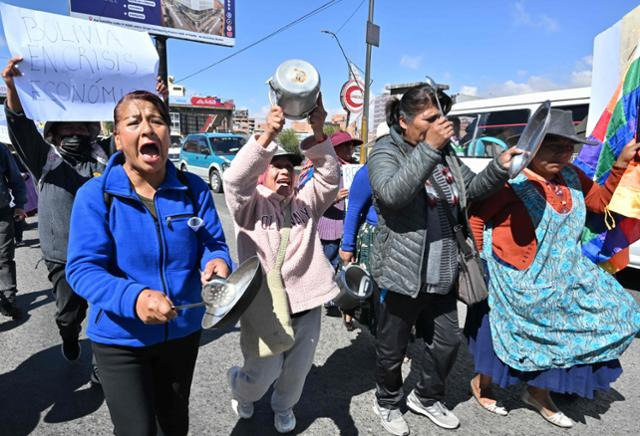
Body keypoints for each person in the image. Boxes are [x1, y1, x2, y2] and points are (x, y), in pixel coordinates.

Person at [66, 90, 231, 435]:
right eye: (134, 122)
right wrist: (136, 298)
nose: (147, 129)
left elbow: (213, 242)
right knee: (137, 430)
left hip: (182, 331)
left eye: (156, 121)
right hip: (120, 338)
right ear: (117, 137)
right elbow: (82, 269)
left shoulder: (194, 189)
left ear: (168, 133)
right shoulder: (96, 196)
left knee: (173, 424)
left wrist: (217, 260)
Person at [465, 109, 640, 428]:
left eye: (568, 147)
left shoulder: (572, 176)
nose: (563, 154)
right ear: (533, 146)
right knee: (500, 334)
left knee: (616, 314)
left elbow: (598, 203)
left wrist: (620, 163)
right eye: (554, 146)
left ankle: (538, 392)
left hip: (562, 272)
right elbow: (477, 218)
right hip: (516, 275)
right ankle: (483, 384)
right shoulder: (511, 180)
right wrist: (479, 263)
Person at [367, 84, 522, 435]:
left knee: (448, 342)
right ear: (404, 121)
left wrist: (499, 168)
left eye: (443, 117)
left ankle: (425, 396)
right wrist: (428, 149)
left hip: (443, 270)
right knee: (392, 349)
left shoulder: (447, 152)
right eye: (431, 117)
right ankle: (387, 400)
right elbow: (392, 196)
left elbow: (473, 191)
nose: (442, 124)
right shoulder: (385, 151)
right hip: (403, 271)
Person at [2, 56, 167, 365]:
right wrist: (12, 87)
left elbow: (138, 134)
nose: (75, 130)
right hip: (63, 255)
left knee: (112, 311)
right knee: (69, 313)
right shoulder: (44, 160)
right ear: (54, 131)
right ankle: (68, 334)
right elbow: (20, 125)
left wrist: (154, 101)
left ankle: (102, 365)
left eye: (82, 125)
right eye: (68, 126)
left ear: (92, 128)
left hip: (110, 253)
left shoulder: (107, 156)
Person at [224, 96, 340, 433]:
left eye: (289, 166)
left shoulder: (306, 203)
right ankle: (241, 388)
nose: (284, 171)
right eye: (275, 165)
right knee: (262, 372)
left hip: (307, 305)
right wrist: (265, 137)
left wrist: (319, 133)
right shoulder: (248, 207)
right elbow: (233, 182)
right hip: (262, 307)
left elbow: (330, 181)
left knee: (296, 371)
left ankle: (284, 406)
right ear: (262, 172)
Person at [338, 162, 378, 332]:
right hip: (374, 238)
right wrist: (347, 245)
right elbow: (354, 208)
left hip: (403, 238)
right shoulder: (370, 170)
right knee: (368, 289)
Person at [0, 142, 27, 319]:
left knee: (4, 256)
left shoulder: (0, 149)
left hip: (2, 213)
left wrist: (19, 205)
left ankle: (9, 302)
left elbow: (15, 178)